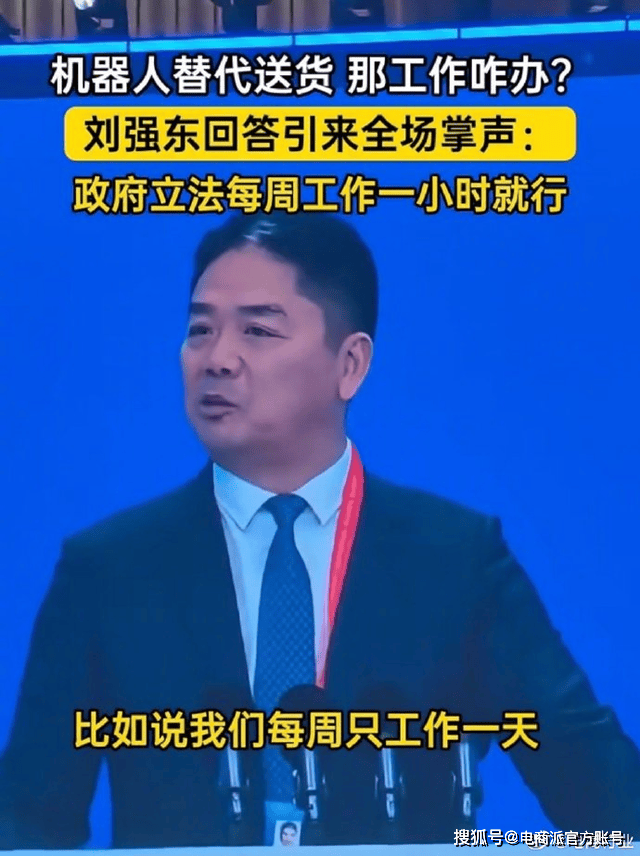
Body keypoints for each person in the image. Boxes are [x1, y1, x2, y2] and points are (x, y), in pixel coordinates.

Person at [0, 212, 639, 850]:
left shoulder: (455, 560)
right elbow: (27, 823)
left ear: (350, 364)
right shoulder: (108, 571)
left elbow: (604, 795)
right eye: (200, 330)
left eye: (257, 330)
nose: (216, 359)